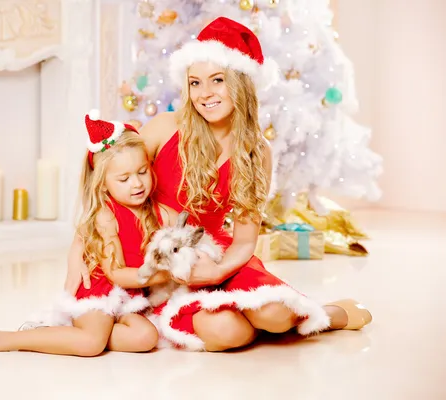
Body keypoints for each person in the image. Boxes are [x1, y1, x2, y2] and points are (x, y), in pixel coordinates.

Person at [66, 17, 372, 352]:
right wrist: (81, 244)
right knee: (226, 332)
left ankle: (328, 312)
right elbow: (113, 175)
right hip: (168, 263)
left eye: (217, 80)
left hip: (217, 255)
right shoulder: (166, 127)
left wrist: (216, 272)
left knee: (275, 313)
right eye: (195, 82)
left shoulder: (257, 152)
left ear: (241, 83)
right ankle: (239, 321)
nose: (205, 93)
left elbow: (244, 240)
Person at [0, 111, 173, 357]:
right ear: (102, 183)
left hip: (131, 296)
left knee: (146, 337)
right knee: (91, 344)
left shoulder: (158, 212)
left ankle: (56, 335)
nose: (136, 184)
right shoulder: (106, 216)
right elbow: (116, 273)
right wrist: (161, 277)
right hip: (101, 288)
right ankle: (8, 338)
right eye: (124, 178)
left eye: (142, 172)